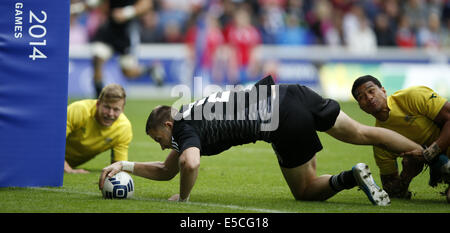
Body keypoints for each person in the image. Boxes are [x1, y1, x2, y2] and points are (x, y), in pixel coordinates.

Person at [99, 75, 423, 205]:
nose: (161, 145)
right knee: (364, 133)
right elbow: (167, 168)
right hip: (292, 92)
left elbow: (188, 162)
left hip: (279, 119)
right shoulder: (191, 115)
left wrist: (182, 201)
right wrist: (123, 164)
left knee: (306, 191)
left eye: (159, 138)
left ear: (168, 124)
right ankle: (433, 153)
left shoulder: (184, 129)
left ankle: (350, 176)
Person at [351, 75, 450, 201]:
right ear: (361, 106)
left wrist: (428, 154)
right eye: (361, 97)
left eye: (371, 91)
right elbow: (392, 192)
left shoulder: (413, 96)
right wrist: (406, 175)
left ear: (383, 91)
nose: (369, 98)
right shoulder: (380, 140)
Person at [77, 0, 165, 97]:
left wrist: (127, 13)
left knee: (128, 72)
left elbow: (146, 4)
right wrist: (79, 7)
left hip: (126, 33)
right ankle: (98, 96)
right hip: (109, 29)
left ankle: (150, 70)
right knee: (97, 56)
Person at [65, 84, 132, 173]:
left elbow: (119, 166)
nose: (110, 114)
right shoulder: (78, 110)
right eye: (107, 107)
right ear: (98, 104)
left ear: (122, 110)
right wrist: (68, 169)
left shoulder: (123, 128)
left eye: (116, 109)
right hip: (44, 157)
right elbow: (51, 141)